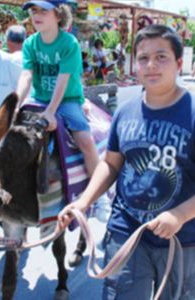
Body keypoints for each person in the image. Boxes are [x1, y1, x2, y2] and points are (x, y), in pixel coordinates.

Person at [59, 24, 195, 300]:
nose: (151, 65)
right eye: (143, 58)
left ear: (179, 63)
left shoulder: (192, 113)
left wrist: (179, 215)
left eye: (161, 57)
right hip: (126, 232)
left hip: (183, 240)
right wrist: (84, 202)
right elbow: (110, 164)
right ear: (135, 65)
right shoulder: (125, 112)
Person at [15, 0, 99, 177]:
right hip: (39, 99)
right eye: (34, 11)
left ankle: (100, 196)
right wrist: (15, 104)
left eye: (43, 11)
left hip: (67, 100)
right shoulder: (30, 43)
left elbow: (63, 79)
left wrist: (51, 111)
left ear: (59, 15)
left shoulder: (69, 43)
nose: (36, 15)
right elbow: (26, 76)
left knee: (85, 141)